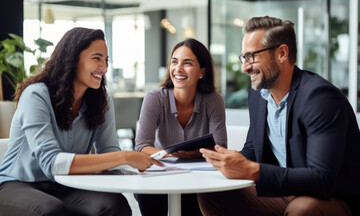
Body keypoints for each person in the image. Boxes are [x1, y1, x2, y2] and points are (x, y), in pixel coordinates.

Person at [199, 16, 360, 216]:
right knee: (211, 194)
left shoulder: (321, 99)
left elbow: (322, 179)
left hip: (332, 198)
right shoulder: (258, 95)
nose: (245, 67)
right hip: (285, 191)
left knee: (303, 210)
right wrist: (225, 160)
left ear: (282, 53)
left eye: (251, 56)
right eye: (244, 57)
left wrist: (253, 170)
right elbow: (253, 149)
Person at [0, 27, 161, 216]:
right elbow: (51, 163)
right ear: (72, 58)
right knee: (50, 210)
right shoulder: (36, 95)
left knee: (116, 204)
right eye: (97, 58)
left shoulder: (102, 100)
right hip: (16, 183)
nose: (105, 67)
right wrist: (124, 157)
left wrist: (139, 168)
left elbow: (109, 151)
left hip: (66, 184)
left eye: (106, 60)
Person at [134, 38, 227, 216]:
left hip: (199, 177)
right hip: (163, 170)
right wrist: (169, 153)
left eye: (188, 63)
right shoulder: (155, 98)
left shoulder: (214, 100)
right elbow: (141, 146)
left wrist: (193, 154)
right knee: (146, 191)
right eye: (174, 62)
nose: (178, 69)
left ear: (202, 72)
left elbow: (221, 147)